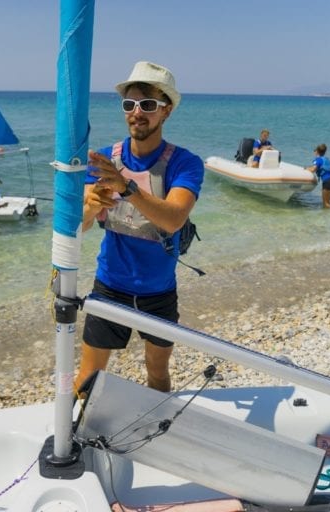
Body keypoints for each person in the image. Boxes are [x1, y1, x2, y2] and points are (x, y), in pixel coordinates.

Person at [75, 61, 204, 393]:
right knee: (87, 378)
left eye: (148, 105)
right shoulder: (104, 160)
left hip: (159, 292)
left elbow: (174, 218)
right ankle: (74, 435)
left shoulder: (184, 163)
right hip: (110, 287)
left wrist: (126, 188)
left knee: (157, 373)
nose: (137, 113)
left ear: (167, 112)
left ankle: (157, 432)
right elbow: (83, 225)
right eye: (129, 104)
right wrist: (88, 207)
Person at [305, 143, 330, 208]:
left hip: (327, 182)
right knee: (328, 202)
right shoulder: (327, 159)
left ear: (317, 152)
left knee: (325, 203)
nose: (314, 152)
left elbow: (313, 169)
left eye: (315, 150)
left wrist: (306, 169)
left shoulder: (318, 160)